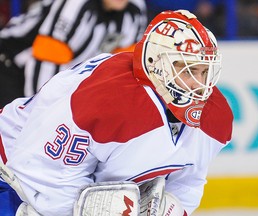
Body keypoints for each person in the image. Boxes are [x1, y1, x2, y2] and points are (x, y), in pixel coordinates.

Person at [0, 9, 233, 215]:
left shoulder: (214, 118)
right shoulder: (106, 101)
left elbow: (188, 183)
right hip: (11, 170)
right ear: (156, 63)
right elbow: (42, 180)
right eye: (188, 70)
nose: (198, 85)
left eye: (204, 71)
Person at [0, 0, 147, 108]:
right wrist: (43, 111)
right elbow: (46, 62)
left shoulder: (135, 10)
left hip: (61, 77)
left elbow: (121, 70)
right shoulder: (75, 4)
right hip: (11, 64)